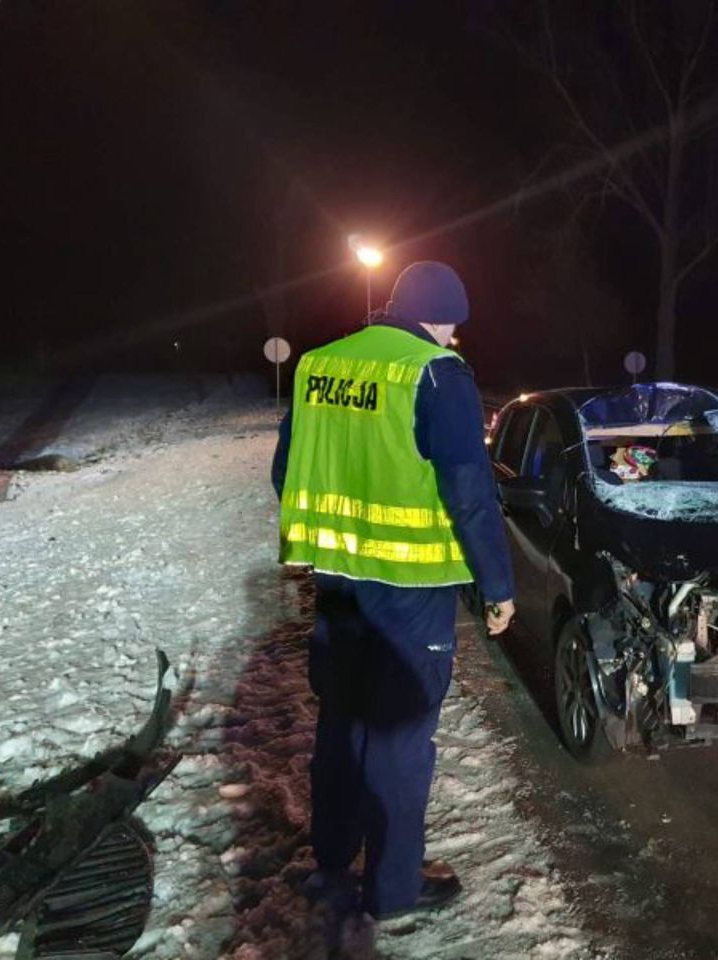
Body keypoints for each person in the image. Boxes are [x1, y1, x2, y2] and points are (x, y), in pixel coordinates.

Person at [271, 260, 515, 920]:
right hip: (410, 590)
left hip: (337, 582)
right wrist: (498, 585)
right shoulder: (437, 373)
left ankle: (329, 864)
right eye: (453, 327)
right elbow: (469, 490)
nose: (452, 338)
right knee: (401, 740)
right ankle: (394, 889)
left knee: (342, 724)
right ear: (441, 319)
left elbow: (283, 472)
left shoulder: (321, 364)